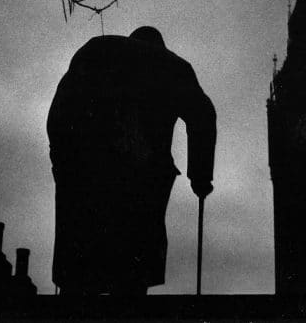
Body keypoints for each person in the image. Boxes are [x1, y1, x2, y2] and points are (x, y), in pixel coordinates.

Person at [47, 26, 217, 295]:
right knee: (132, 270)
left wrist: (62, 158)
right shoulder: (173, 66)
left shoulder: (95, 50)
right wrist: (200, 175)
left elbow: (60, 109)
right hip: (143, 177)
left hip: (86, 173)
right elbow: (203, 115)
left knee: (79, 267)